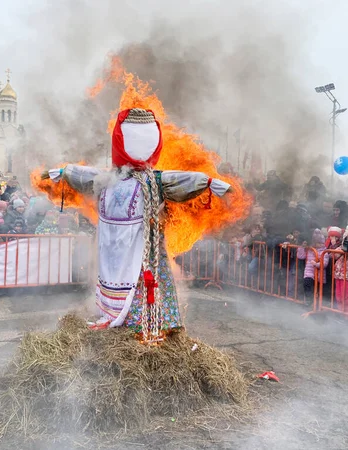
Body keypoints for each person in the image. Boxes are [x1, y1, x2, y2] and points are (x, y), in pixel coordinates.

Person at [42, 108, 232, 338]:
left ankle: (147, 324)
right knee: (112, 279)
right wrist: (63, 172)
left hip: (143, 245)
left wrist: (208, 182)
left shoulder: (155, 180)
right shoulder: (106, 178)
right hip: (111, 245)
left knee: (146, 279)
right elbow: (82, 175)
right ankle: (114, 315)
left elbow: (181, 179)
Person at [296, 229, 329, 306]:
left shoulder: (324, 251)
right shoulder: (310, 249)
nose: (321, 244)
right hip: (309, 272)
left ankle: (317, 305)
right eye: (319, 243)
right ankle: (308, 300)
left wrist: (316, 264)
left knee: (317, 289)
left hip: (319, 274)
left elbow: (325, 263)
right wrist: (302, 247)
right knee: (306, 284)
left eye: (322, 243)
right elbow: (301, 256)